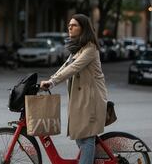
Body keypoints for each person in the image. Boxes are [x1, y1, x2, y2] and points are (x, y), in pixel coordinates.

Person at [40, 14, 108, 164]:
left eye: (74, 25)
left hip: (92, 99)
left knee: (86, 138)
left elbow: (73, 68)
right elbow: (64, 67)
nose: (69, 27)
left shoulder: (90, 48)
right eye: (69, 25)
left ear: (83, 28)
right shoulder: (78, 49)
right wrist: (50, 80)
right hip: (81, 99)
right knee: (80, 138)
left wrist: (52, 83)